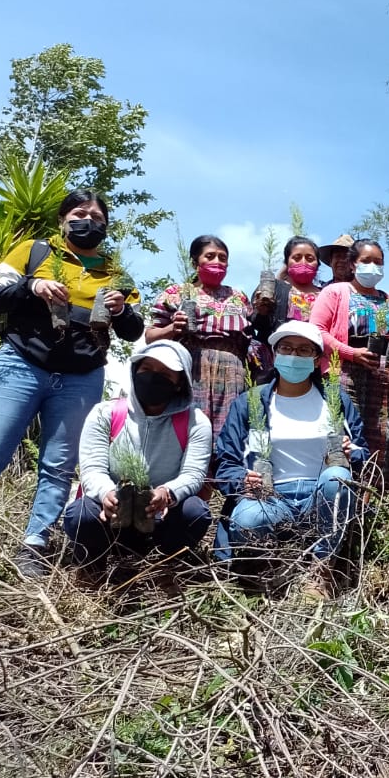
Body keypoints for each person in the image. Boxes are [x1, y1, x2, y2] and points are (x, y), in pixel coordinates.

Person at [0, 190, 144, 577]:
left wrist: (122, 311)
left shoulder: (117, 271)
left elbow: (134, 329)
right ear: (62, 219)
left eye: (96, 216)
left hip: (82, 376)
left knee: (59, 465)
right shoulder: (33, 252)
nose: (88, 220)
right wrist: (32, 287)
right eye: (79, 213)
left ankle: (35, 546)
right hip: (22, 364)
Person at [214, 322, 369, 597]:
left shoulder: (335, 400)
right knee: (248, 519)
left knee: (339, 479)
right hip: (270, 496)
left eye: (303, 350)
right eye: (286, 348)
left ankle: (321, 567)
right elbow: (225, 461)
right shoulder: (251, 402)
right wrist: (241, 480)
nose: (294, 355)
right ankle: (267, 567)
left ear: (317, 359)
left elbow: (362, 453)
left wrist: (351, 453)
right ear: (274, 354)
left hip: (319, 496)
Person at [62, 341, 213, 583]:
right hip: (111, 516)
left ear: (179, 384)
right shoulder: (105, 413)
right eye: (147, 369)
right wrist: (107, 494)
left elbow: (194, 475)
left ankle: (167, 567)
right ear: (135, 371)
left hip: (159, 518)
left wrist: (167, 492)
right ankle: (92, 569)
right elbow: (92, 469)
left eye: (165, 374)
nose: (154, 377)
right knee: (81, 514)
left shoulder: (196, 422)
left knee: (195, 512)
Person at [311, 239, 389, 489]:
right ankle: (340, 496)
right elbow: (317, 331)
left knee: (384, 440)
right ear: (353, 265)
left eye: (378, 262)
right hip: (345, 374)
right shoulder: (334, 293)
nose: (373, 266)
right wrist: (351, 352)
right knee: (347, 435)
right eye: (366, 261)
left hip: (386, 380)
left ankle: (377, 503)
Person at [146, 235, 255, 441]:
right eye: (210, 256)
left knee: (230, 430)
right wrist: (173, 328)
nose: (217, 262)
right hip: (192, 367)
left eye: (222, 258)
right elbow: (150, 336)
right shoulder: (177, 293)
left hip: (233, 371)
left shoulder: (238, 296)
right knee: (192, 427)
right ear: (195, 262)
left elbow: (251, 339)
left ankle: (224, 473)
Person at [249, 236, 324, 381]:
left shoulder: (326, 293)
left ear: (318, 264)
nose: (303, 262)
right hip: (276, 364)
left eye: (309, 258)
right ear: (287, 262)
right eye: (297, 257)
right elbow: (255, 324)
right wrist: (262, 311)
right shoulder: (274, 288)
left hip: (313, 364)